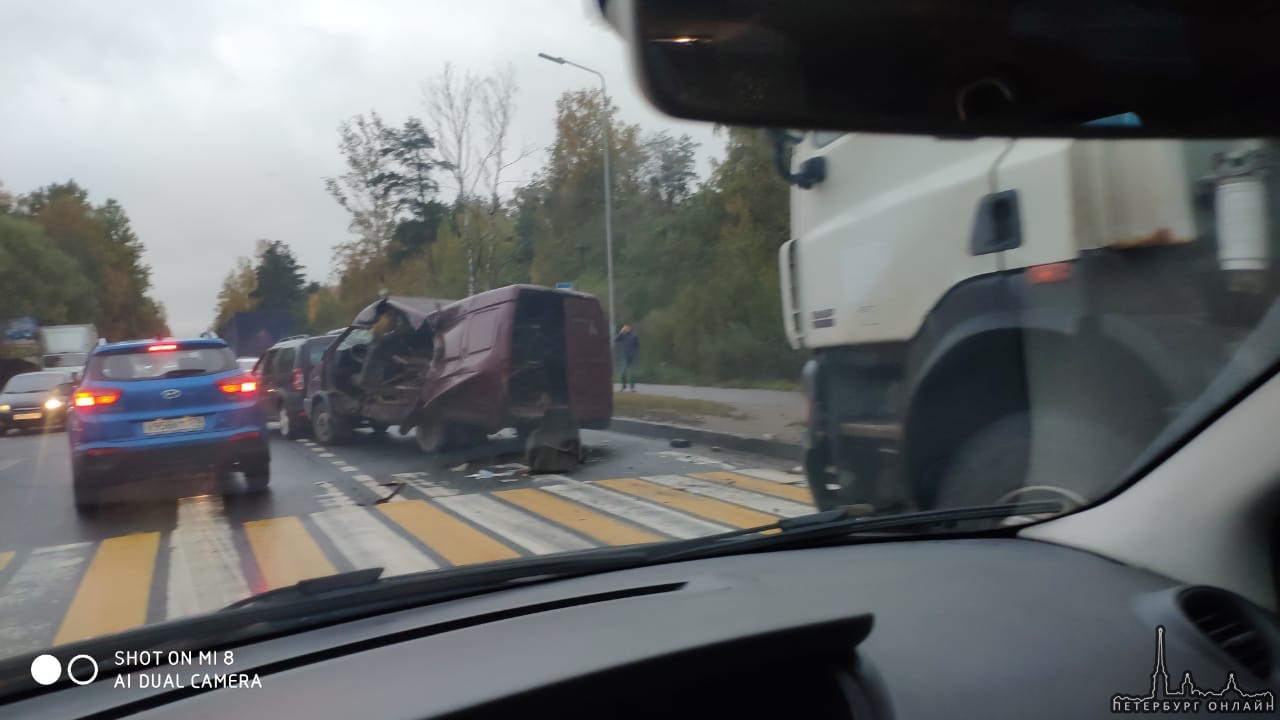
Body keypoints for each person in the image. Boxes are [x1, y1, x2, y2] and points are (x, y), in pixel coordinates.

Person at [614, 324, 639, 392]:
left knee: (632, 373)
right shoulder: (622, 335)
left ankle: (632, 387)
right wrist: (621, 331)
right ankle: (623, 386)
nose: (626, 329)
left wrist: (635, 354)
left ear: (630, 328)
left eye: (627, 328)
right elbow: (615, 339)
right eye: (625, 328)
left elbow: (637, 345)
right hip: (625, 356)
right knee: (623, 372)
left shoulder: (634, 335)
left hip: (632, 356)